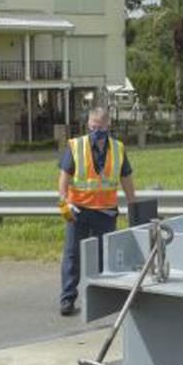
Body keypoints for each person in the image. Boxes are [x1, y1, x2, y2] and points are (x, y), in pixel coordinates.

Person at [57, 107, 136, 316]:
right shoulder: (76, 146)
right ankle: (67, 300)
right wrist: (65, 205)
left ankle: (103, 301)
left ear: (108, 126)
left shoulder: (118, 149)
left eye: (100, 127)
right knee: (72, 255)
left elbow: (126, 179)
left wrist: (133, 206)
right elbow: (63, 179)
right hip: (79, 211)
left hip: (105, 213)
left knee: (106, 258)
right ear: (88, 125)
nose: (96, 131)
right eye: (92, 127)